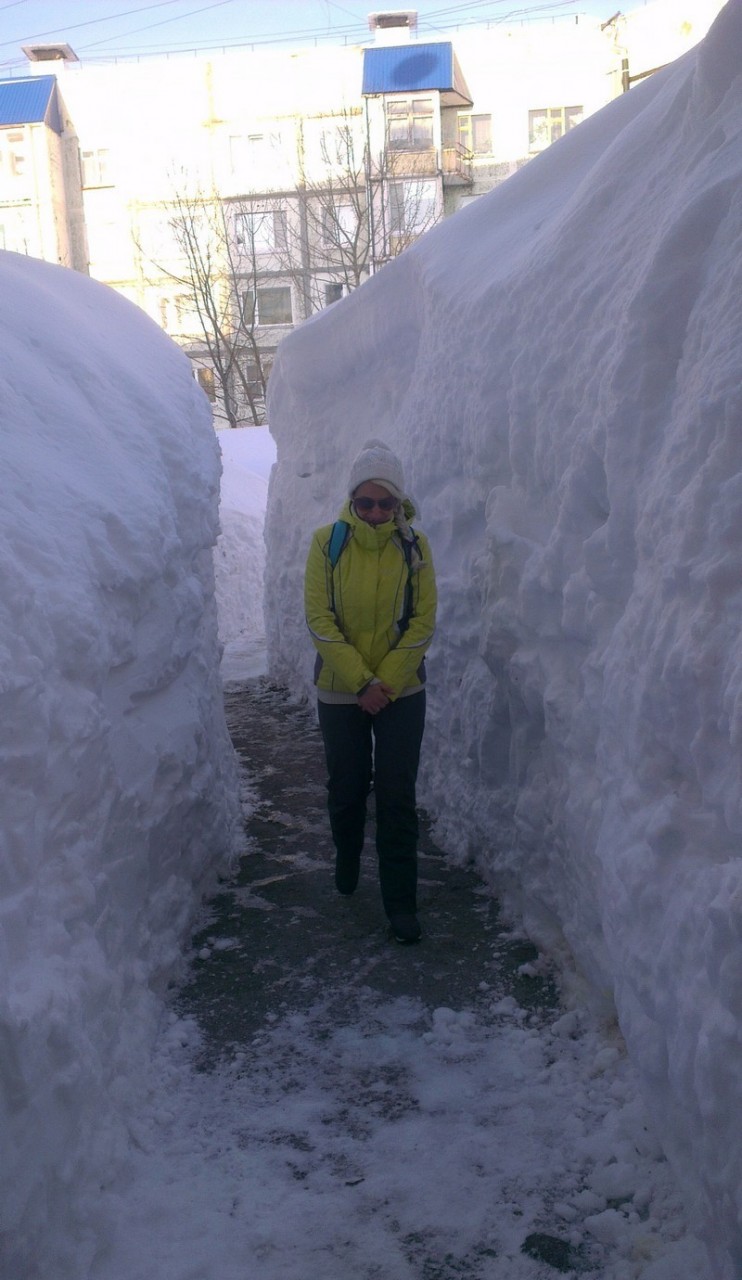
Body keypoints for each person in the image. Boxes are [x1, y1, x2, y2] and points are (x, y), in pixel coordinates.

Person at [304, 440, 437, 944]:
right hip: (343, 692)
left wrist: (387, 683)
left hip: (402, 692)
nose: (377, 512)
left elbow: (423, 622)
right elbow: (320, 620)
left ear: (400, 503)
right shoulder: (326, 544)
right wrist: (362, 681)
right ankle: (346, 853)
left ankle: (400, 902)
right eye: (367, 502)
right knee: (348, 786)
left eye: (386, 503)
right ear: (352, 502)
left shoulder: (416, 548)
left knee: (398, 795)